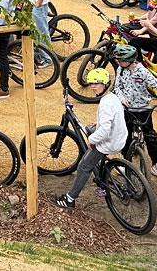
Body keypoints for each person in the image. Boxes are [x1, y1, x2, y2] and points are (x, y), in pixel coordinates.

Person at [52, 67, 128, 209]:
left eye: (97, 83)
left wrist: (92, 140)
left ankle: (70, 199)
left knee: (83, 166)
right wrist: (99, 124)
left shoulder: (105, 104)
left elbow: (104, 130)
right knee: (88, 128)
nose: (93, 87)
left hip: (109, 142)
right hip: (119, 137)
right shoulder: (112, 97)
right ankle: (99, 164)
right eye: (91, 83)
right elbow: (113, 118)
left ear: (105, 84)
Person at [112, 44, 157, 182]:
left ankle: (156, 165)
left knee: (150, 136)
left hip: (143, 110)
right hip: (127, 110)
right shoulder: (120, 69)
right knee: (125, 135)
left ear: (130, 60)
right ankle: (125, 161)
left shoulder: (142, 71)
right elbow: (117, 87)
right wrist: (122, 99)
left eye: (121, 60)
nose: (118, 63)